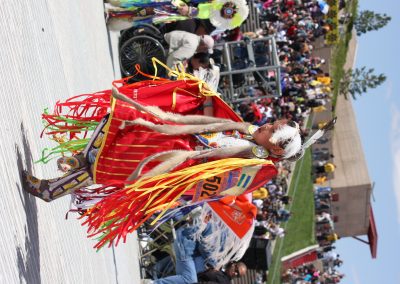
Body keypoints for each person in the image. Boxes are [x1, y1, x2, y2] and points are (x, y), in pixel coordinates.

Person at [105, 0, 249, 31]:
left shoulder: (212, 10)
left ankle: (116, 15)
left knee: (146, 10)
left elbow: (197, 11)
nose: (229, 9)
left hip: (175, 7)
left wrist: (187, 10)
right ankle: (116, 11)